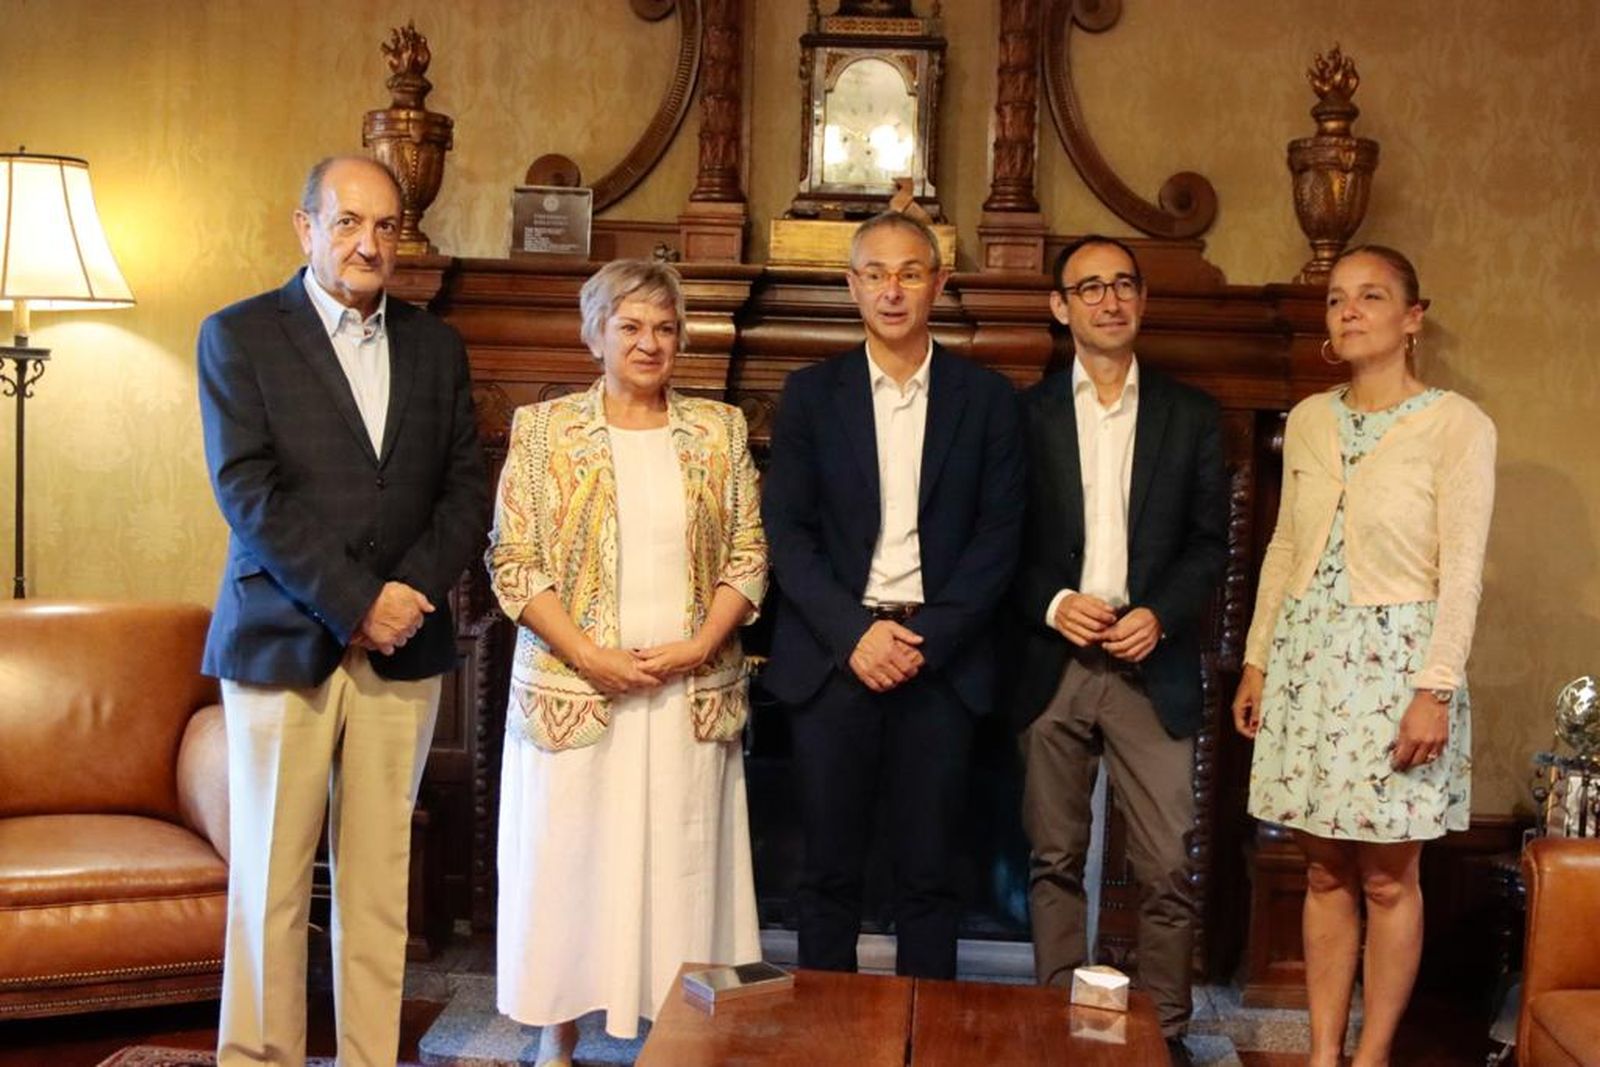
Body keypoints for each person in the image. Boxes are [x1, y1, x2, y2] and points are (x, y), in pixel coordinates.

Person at [198, 155, 489, 1066]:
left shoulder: (437, 346)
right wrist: (357, 602)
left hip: (406, 648)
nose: (369, 243)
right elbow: (249, 491)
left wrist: (404, 599)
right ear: (306, 227)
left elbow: (466, 490)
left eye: (386, 227)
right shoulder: (238, 336)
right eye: (348, 222)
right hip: (284, 639)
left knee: (377, 891)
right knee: (273, 885)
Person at [486, 259, 766, 1065]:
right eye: (631, 326)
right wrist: (589, 655)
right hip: (577, 687)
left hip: (689, 687)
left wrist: (701, 643)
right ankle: (557, 1031)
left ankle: (677, 1035)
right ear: (595, 334)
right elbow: (514, 561)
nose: (650, 343)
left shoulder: (720, 428)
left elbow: (748, 555)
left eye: (666, 327)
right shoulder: (543, 431)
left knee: (683, 866)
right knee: (571, 859)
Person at [1232, 245, 1495, 1067]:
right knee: (1320, 873)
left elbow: (1463, 570)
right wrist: (1257, 660)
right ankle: (1321, 1051)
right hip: (1309, 662)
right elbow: (1283, 548)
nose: (1348, 310)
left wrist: (1436, 689)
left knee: (1388, 876)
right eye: (1338, 298)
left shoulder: (1458, 425)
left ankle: (1372, 1054)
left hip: (1400, 667)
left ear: (1413, 317)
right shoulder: (1309, 418)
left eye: (1371, 296)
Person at [761, 211, 1025, 979]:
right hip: (834, 660)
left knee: (930, 878)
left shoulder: (987, 400)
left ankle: (927, 1043)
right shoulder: (811, 395)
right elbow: (789, 532)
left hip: (939, 665)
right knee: (827, 875)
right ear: (851, 286)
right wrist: (855, 633)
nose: (893, 289)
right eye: (875, 273)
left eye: (911, 271)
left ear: (939, 283)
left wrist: (923, 640)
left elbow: (997, 541)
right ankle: (827, 1042)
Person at [1008, 235, 1227, 1064]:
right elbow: (1000, 542)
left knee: (1169, 861)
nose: (1109, 300)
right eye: (1088, 287)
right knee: (1053, 857)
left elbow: (1210, 543)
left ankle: (1165, 1031)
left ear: (1141, 299)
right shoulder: (1021, 416)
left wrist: (1161, 615)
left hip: (1150, 663)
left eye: (1123, 285)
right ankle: (1060, 1026)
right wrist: (1054, 602)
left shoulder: (1191, 414)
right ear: (1060, 307)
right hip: (1052, 662)